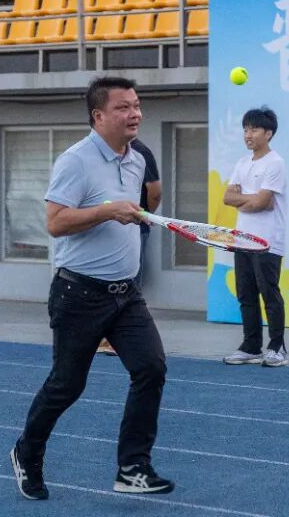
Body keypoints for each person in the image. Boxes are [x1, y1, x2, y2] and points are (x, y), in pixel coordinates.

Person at [11, 76, 173, 501]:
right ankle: (27, 453)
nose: (135, 114)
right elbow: (55, 223)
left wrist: (129, 214)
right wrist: (107, 211)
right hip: (79, 294)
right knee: (67, 385)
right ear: (99, 116)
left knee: (151, 368)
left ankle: (133, 468)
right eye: (124, 107)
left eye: (137, 105)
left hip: (127, 294)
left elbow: (132, 209)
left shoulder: (137, 159)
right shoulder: (75, 161)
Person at [221, 107, 289, 368]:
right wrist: (252, 199)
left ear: (268, 133)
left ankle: (277, 348)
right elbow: (228, 198)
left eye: (254, 129)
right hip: (242, 240)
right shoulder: (242, 163)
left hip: (267, 241)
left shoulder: (275, 163)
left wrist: (247, 200)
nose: (248, 135)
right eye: (245, 129)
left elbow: (264, 203)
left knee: (269, 294)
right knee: (246, 295)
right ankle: (251, 347)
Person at [98, 137, 160, 356]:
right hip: (109, 229)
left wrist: (142, 217)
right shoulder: (98, 154)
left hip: (135, 228)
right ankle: (106, 336)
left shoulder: (141, 153)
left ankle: (124, 339)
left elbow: (155, 192)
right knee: (109, 281)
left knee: (130, 284)